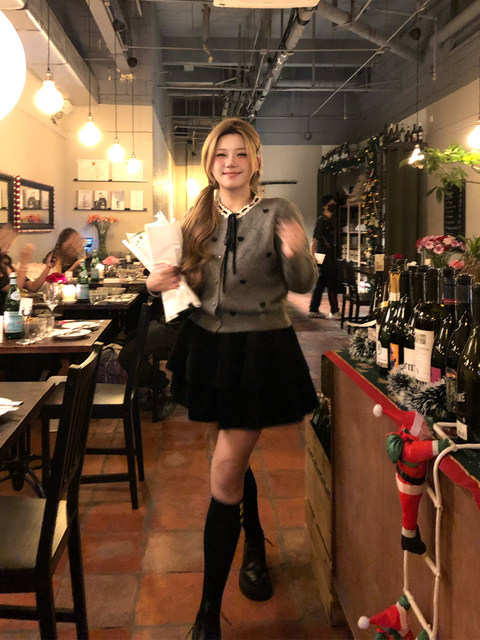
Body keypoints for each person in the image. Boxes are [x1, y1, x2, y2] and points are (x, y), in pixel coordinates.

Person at [146, 117, 318, 639]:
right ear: (210, 163)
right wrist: (157, 282)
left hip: (259, 352)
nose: (231, 162)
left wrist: (297, 252)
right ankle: (254, 542)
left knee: (223, 473)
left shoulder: (279, 211)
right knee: (231, 458)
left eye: (241, 153)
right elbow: (179, 283)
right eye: (222, 154)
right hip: (207, 349)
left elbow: (303, 283)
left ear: (256, 161)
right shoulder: (195, 217)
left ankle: (206, 616)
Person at [0, 225, 55, 311]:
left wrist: (48, 267)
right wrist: (24, 261)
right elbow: (15, 290)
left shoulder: (8, 264)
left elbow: (33, 287)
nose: (10, 244)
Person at [308, 194, 340, 319]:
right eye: (331, 204)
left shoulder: (330, 221)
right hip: (324, 257)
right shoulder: (321, 221)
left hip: (328, 256)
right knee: (331, 283)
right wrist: (312, 256)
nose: (333, 206)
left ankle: (313, 309)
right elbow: (314, 240)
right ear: (324, 206)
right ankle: (334, 311)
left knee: (321, 284)